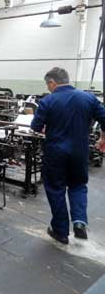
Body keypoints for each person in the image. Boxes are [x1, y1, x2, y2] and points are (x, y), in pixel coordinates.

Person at [31, 67, 105, 244]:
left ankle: (60, 231)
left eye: (48, 85)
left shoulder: (48, 101)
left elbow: (35, 127)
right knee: (78, 185)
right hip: (80, 152)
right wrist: (103, 137)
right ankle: (79, 222)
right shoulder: (88, 98)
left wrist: (47, 126)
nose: (48, 88)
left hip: (56, 153)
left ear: (52, 83)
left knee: (56, 189)